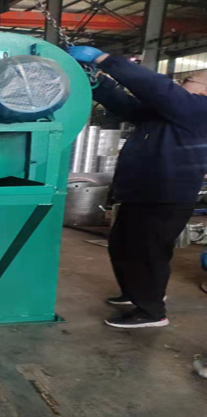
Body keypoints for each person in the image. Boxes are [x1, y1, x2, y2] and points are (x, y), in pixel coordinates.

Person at [68, 46, 207, 329]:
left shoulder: (198, 110)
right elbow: (126, 105)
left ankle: (152, 311)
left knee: (148, 253)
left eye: (187, 80)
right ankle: (136, 293)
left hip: (164, 196)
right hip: (141, 191)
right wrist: (98, 83)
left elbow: (157, 88)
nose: (180, 83)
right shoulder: (166, 114)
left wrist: (105, 60)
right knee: (123, 246)